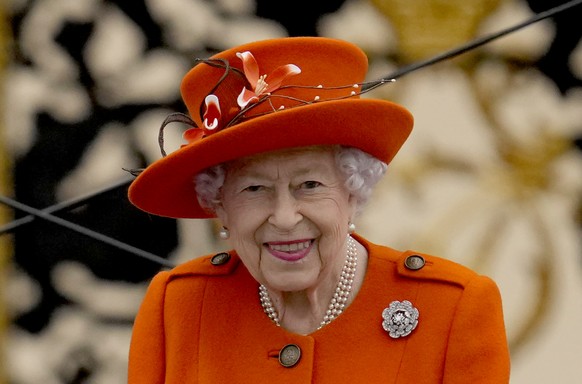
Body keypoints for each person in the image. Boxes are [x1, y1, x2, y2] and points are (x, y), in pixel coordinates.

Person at [127, 36, 510, 383]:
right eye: (254, 188)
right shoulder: (176, 306)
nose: (284, 217)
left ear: (353, 191)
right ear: (220, 207)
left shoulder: (453, 308)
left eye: (309, 186)